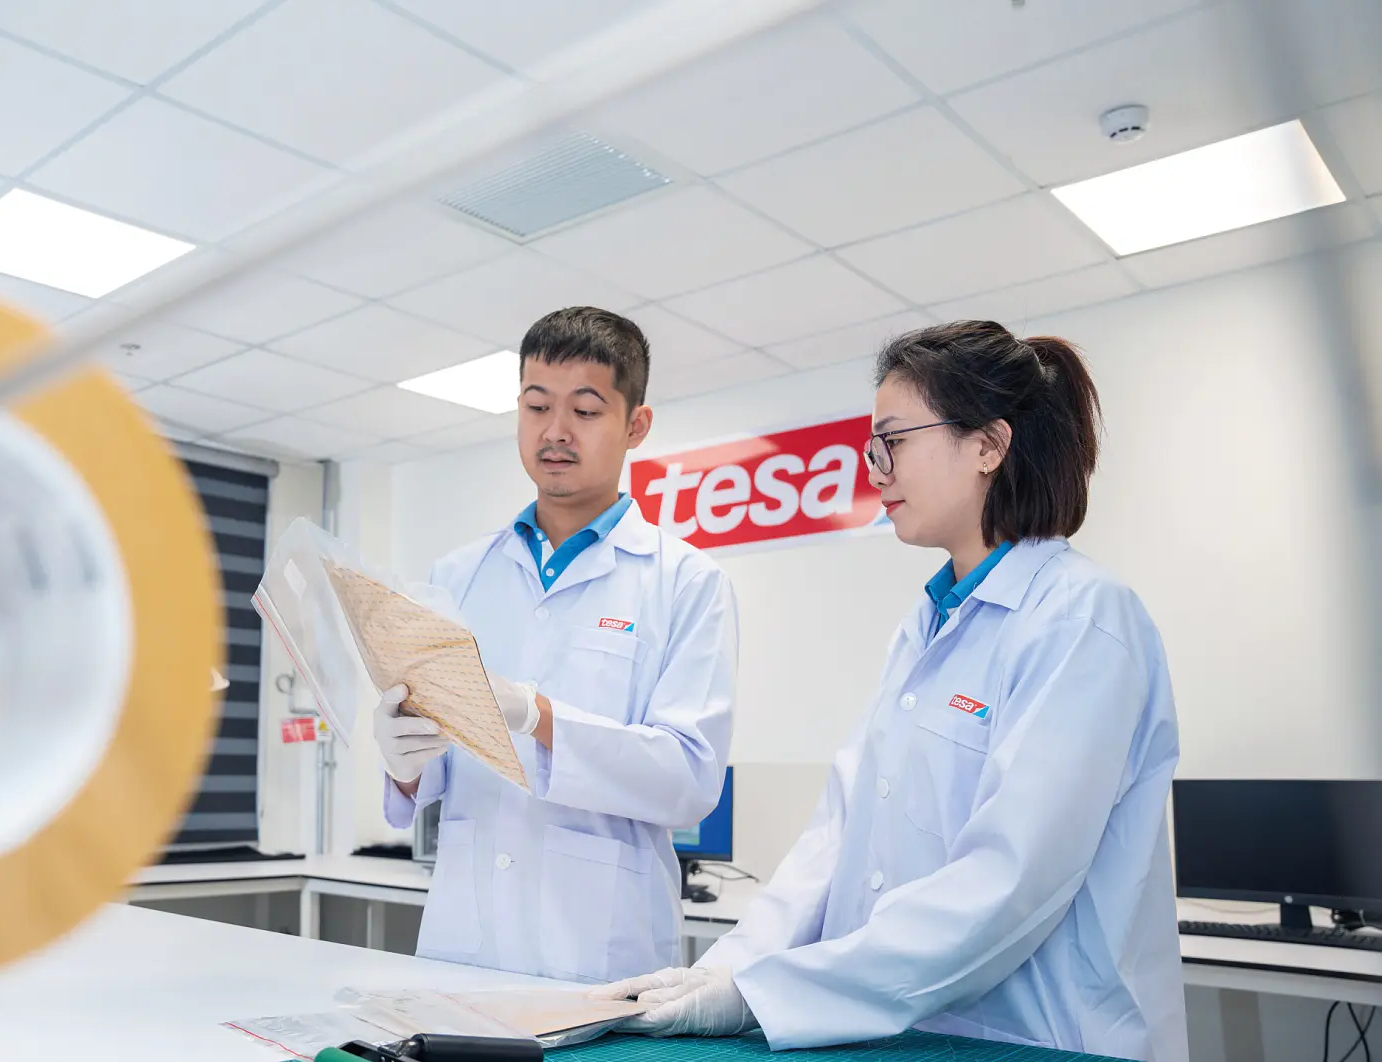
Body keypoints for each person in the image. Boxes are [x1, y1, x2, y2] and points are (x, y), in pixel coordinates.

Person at [594, 321, 1186, 1061]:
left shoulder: (1084, 619)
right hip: (919, 1033)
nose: (874, 469)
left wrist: (765, 996)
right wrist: (719, 980)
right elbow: (835, 842)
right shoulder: (927, 625)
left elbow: (1009, 882)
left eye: (893, 441)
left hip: (1045, 1039)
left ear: (987, 446)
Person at [374, 306, 737, 983]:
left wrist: (539, 716)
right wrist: (404, 759)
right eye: (536, 405)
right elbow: (438, 776)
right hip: (463, 942)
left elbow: (689, 780)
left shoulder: (685, 581)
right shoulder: (458, 575)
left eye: (586, 410)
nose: (556, 431)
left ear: (636, 425)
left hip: (598, 956)